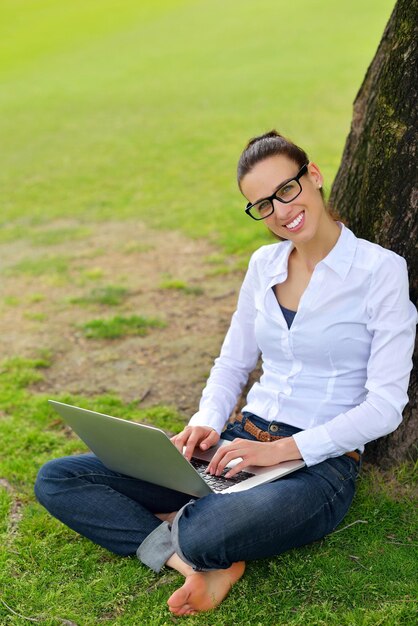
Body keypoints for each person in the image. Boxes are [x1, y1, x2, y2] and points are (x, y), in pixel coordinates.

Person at [35, 131, 417, 616]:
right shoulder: (264, 264)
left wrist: (277, 451)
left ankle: (186, 525)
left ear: (314, 176)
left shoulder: (380, 271)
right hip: (234, 447)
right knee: (59, 478)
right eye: (262, 205)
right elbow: (233, 363)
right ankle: (187, 562)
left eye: (287, 190)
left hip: (317, 465)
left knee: (206, 529)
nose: (280, 212)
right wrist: (207, 422)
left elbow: (385, 407)